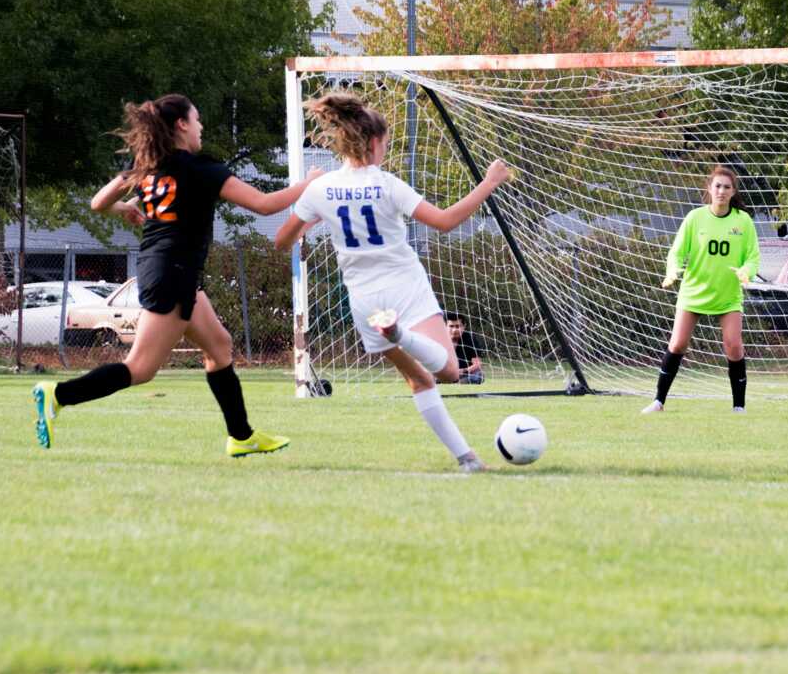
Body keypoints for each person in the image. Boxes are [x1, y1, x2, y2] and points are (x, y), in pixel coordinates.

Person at [32, 94, 323, 458]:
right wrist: (310, 183)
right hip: (172, 272)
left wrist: (125, 207)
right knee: (140, 369)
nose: (201, 128)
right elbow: (264, 205)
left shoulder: (148, 166)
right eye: (197, 120)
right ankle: (57, 395)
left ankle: (241, 435)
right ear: (182, 125)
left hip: (167, 270)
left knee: (219, 347)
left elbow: (98, 202)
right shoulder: (200, 168)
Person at [274, 92, 511, 472]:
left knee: (419, 380)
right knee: (449, 371)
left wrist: (312, 223)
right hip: (405, 284)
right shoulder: (387, 184)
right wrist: (489, 182)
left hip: (365, 299)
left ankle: (467, 459)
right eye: (385, 143)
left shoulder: (321, 189)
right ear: (373, 142)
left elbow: (282, 240)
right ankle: (399, 333)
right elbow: (445, 221)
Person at [643, 164, 760, 414]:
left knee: (734, 346)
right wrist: (672, 270)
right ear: (709, 188)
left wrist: (746, 271)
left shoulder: (743, 221)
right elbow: (677, 251)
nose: (721, 191)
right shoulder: (695, 218)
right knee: (677, 345)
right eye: (717, 186)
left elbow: (752, 257)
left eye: (726, 187)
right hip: (693, 292)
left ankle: (739, 407)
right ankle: (658, 401)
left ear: (733, 191)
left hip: (727, 295)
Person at [445, 312, 484, 384]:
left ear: (464, 326)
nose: (454, 330)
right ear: (445, 326)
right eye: (451, 326)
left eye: (457, 326)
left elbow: (477, 364)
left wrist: (463, 371)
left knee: (478, 375)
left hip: (464, 374)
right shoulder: (439, 339)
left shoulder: (470, 338)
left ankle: (460, 382)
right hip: (444, 374)